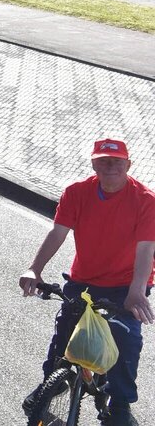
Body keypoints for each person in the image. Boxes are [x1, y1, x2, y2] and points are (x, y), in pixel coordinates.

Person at [20, 139, 155, 426]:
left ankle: (119, 404)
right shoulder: (76, 192)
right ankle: (51, 384)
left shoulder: (145, 200)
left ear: (128, 165)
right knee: (65, 335)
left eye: (117, 162)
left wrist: (135, 292)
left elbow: (146, 250)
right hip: (84, 280)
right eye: (103, 161)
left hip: (126, 285)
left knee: (126, 339)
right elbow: (58, 233)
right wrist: (35, 269)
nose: (110, 167)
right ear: (93, 164)